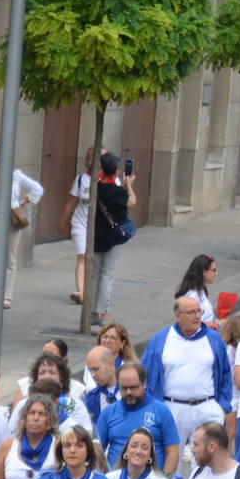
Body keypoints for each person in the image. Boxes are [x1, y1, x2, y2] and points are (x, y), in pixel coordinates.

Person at [141, 296, 236, 446]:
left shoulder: (214, 339)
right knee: (171, 461)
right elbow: (145, 375)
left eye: (199, 311)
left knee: (207, 463)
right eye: (191, 312)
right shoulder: (160, 340)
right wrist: (152, 407)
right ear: (177, 316)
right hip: (172, 407)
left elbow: (225, 374)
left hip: (207, 407)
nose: (197, 316)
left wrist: (222, 406)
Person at [0, 145, 44, 309]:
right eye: (1, 158)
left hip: (11, 219)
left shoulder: (17, 175)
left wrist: (25, 201)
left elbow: (38, 189)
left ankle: (6, 296)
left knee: (10, 257)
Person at [96, 361, 182, 475]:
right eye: (124, 388)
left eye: (134, 387)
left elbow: (172, 452)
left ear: (144, 384)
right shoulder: (108, 413)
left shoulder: (161, 411)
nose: (129, 392)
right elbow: (96, 451)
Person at [90, 151, 138, 329]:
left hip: (97, 234)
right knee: (107, 274)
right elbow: (132, 202)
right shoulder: (117, 191)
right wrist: (129, 186)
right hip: (113, 237)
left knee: (96, 274)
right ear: (118, 170)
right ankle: (104, 313)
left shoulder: (96, 187)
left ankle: (93, 312)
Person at [10, 353, 91, 430]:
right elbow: (11, 432)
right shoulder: (23, 404)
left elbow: (86, 434)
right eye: (42, 372)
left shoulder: (75, 404)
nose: (47, 376)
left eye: (52, 372)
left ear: (62, 378)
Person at [60, 148, 97, 306]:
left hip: (98, 226)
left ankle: (90, 291)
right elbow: (72, 202)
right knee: (82, 257)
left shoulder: (110, 180)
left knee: (94, 259)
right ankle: (81, 293)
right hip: (80, 223)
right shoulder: (81, 179)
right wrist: (63, 220)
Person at [175, 254, 219, 327]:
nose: (216, 273)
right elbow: (189, 325)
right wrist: (212, 325)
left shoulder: (201, 290)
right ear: (204, 272)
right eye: (214, 270)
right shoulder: (191, 296)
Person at [82, 345, 120, 424]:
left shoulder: (131, 391)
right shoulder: (90, 398)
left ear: (111, 364)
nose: (93, 375)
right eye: (90, 370)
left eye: (96, 369)